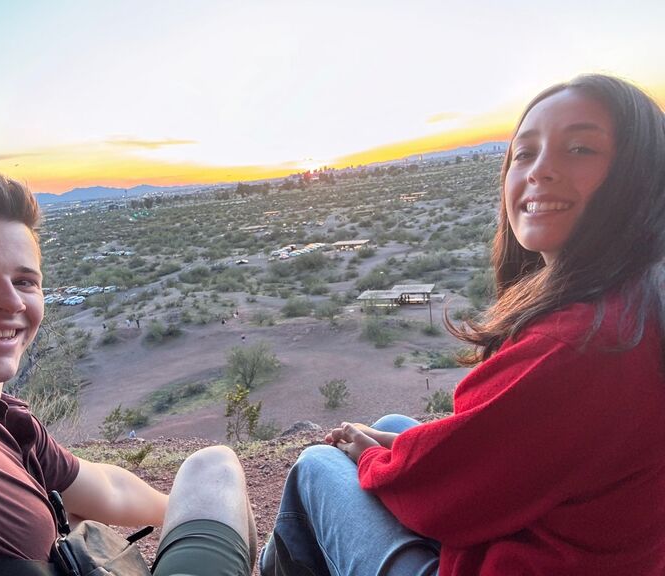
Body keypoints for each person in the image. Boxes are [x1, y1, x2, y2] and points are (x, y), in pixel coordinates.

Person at [261, 73, 665, 576]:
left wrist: (369, 458)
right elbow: (505, 457)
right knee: (391, 428)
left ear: (639, 175)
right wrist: (384, 448)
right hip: (574, 545)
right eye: (524, 153)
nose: (541, 171)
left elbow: (442, 506)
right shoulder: (634, 307)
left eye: (580, 149)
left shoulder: (580, 345)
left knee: (317, 468)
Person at [0, 173, 256, 576]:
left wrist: (184, 515)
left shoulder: (2, 419)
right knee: (215, 468)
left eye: (24, 281)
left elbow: (107, 488)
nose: (11, 301)